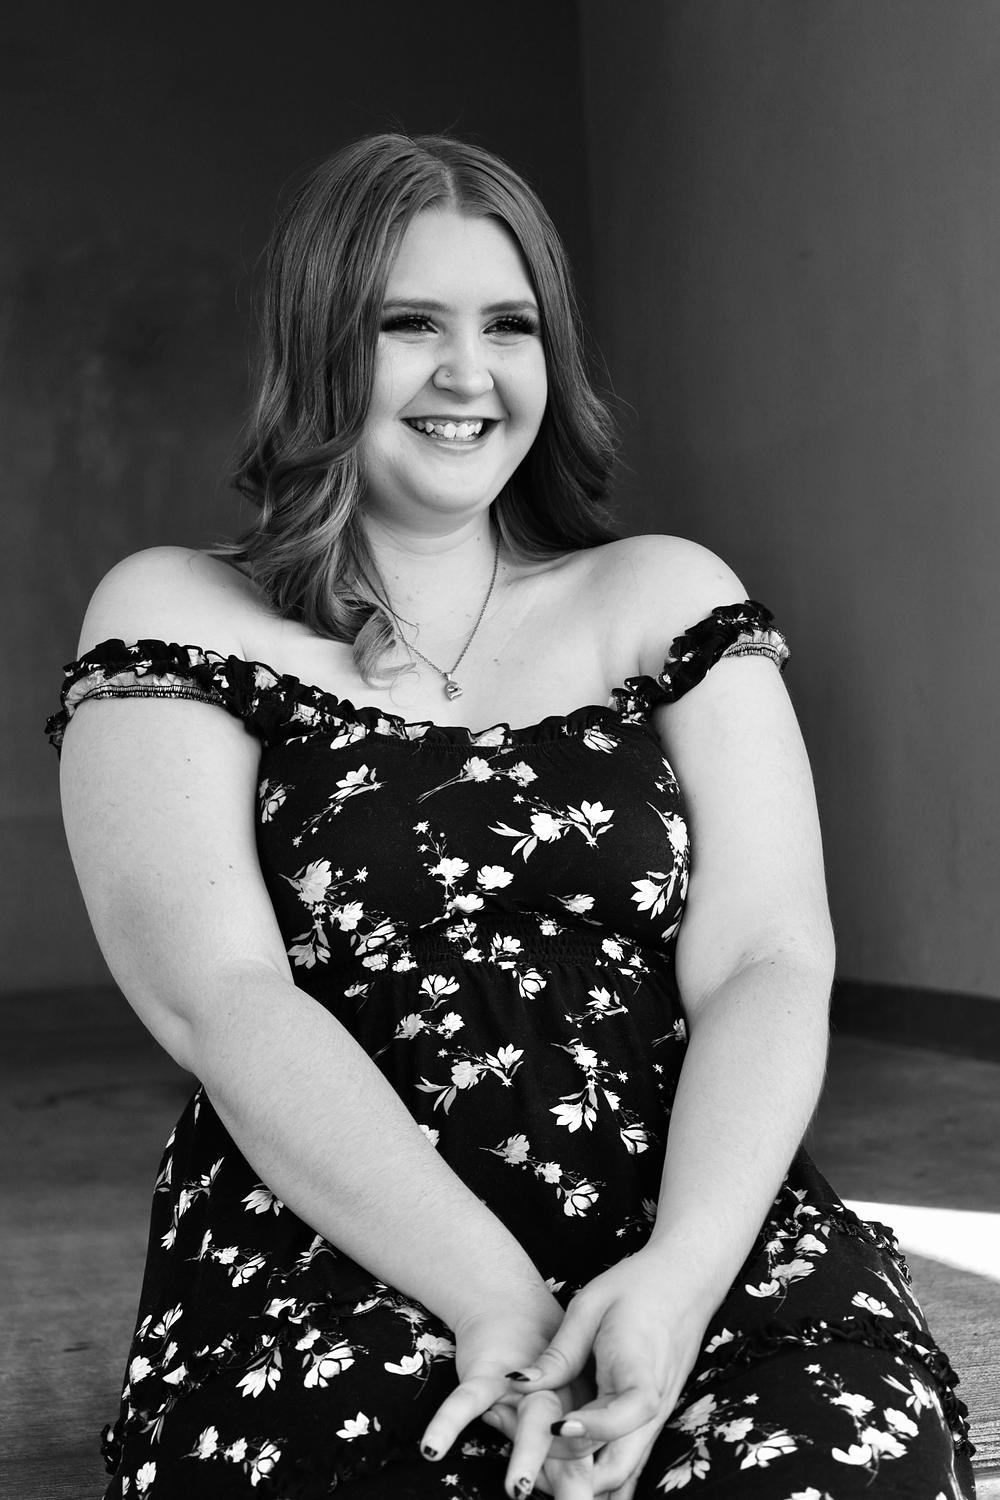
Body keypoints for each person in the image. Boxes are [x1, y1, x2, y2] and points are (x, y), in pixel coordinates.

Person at [47, 133, 974, 1500]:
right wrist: (492, 1298)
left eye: (509, 325)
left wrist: (679, 1278)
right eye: (409, 324)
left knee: (838, 1468)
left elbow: (769, 955)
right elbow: (218, 996)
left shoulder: (665, 594)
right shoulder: (176, 611)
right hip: (339, 1225)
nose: (468, 373)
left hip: (685, 1206)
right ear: (318, 346)